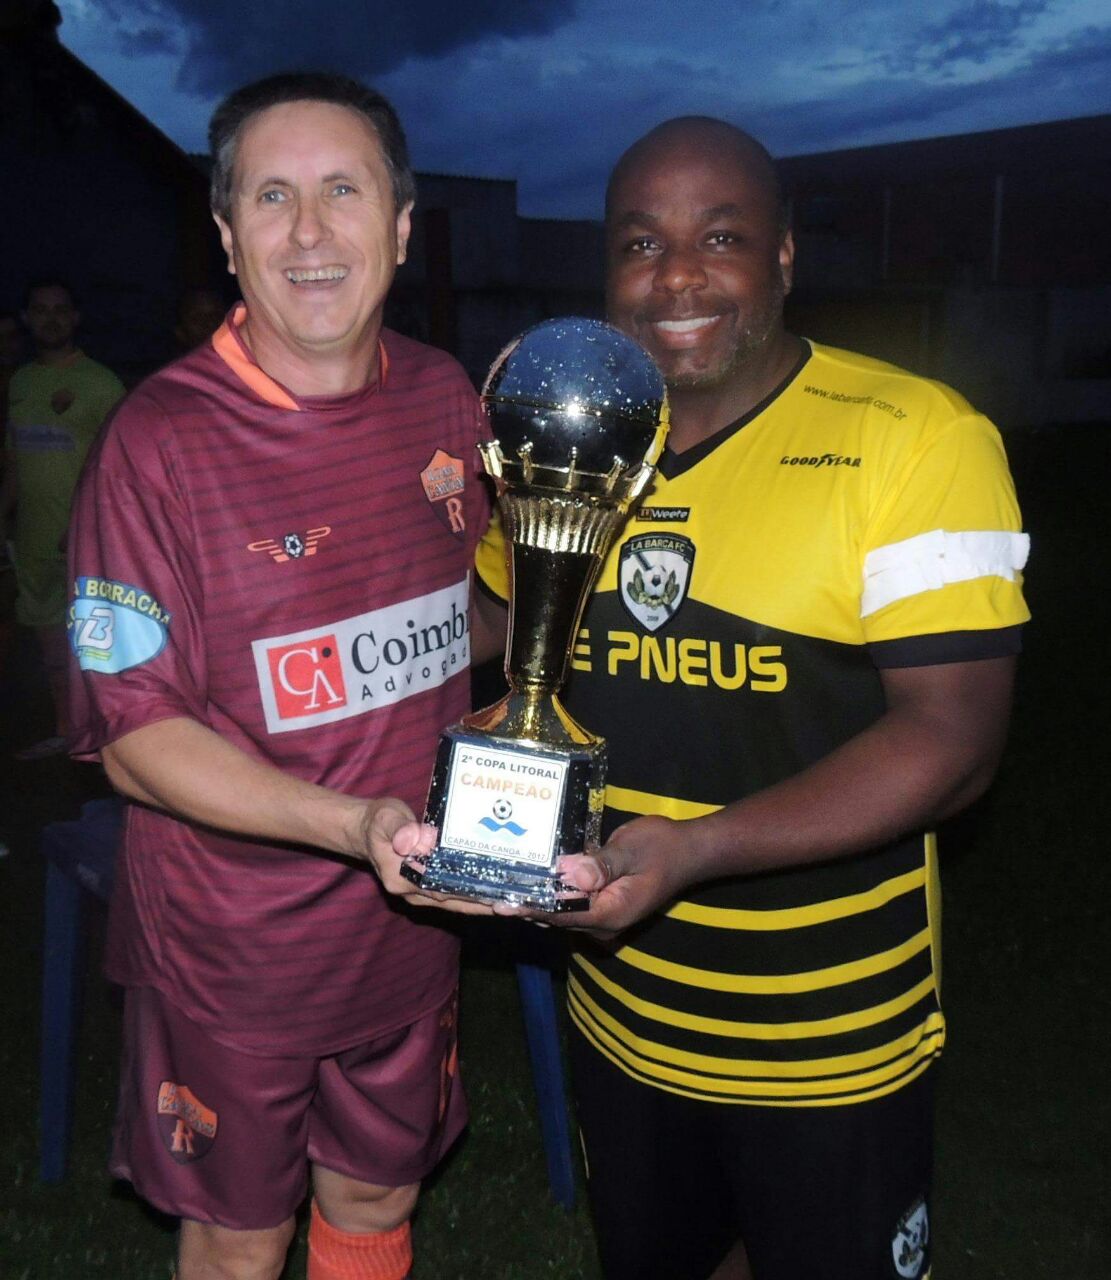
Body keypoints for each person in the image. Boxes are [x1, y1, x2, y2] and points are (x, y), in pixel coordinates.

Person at [451, 118, 1030, 1280]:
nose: (675, 277)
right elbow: (494, 629)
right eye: (639, 243)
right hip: (621, 1010)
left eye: (719, 237)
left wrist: (698, 848)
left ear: (784, 255)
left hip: (827, 1036)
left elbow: (952, 741)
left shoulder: (914, 437)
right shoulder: (579, 438)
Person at [67, 72, 501, 1280]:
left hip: (409, 922)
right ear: (227, 234)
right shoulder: (156, 442)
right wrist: (355, 823)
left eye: (342, 191)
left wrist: (559, 597)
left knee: (376, 1192)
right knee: (240, 1240)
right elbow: (135, 737)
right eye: (271, 196)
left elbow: (457, 626)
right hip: (233, 952)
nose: (309, 231)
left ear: (400, 227)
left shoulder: (445, 398)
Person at [3, 282, 124, 758]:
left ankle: (114, 733)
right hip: (34, 540)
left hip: (86, 539)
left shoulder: (102, 383)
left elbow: (119, 466)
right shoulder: (20, 383)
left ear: (75, 317)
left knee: (96, 644)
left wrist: (85, 523)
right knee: (52, 646)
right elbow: (15, 463)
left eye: (60, 310)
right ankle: (67, 732)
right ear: (27, 318)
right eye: (40, 310)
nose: (50, 319)